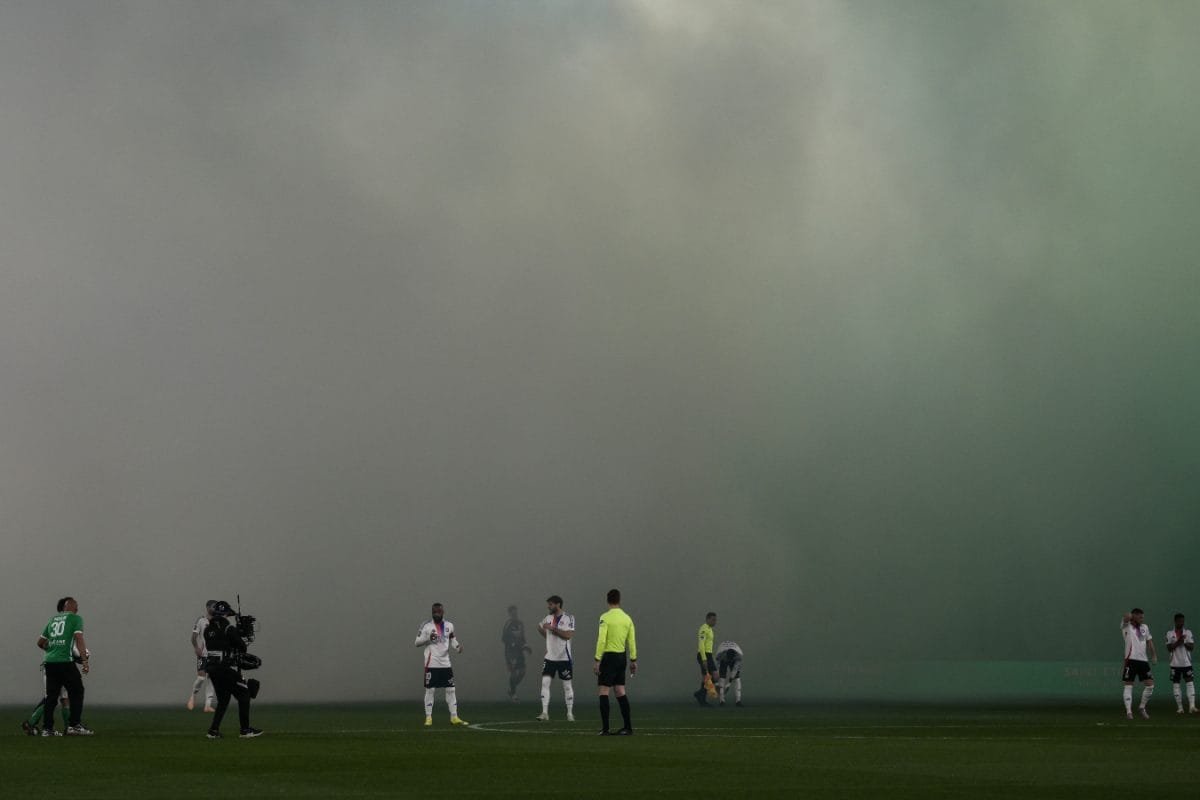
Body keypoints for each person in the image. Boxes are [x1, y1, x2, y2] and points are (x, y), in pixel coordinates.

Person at [21, 598, 88, 735]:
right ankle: (73, 726)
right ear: (72, 607)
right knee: (75, 691)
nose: (77, 608)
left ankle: (48, 729)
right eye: (76, 605)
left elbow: (40, 642)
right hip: (64, 662)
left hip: (50, 663)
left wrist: (52, 650)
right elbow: (79, 639)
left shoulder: (53, 620)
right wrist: (84, 660)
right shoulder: (75, 619)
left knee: (53, 696)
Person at [202, 600, 262, 738]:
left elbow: (220, 643)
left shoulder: (207, 630)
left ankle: (213, 731)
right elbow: (242, 646)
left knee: (223, 699)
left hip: (212, 669)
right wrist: (240, 634)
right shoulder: (228, 628)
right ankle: (245, 730)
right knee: (244, 694)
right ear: (226, 614)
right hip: (223, 669)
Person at [415, 603, 469, 727]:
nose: (436, 614)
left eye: (439, 612)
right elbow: (416, 642)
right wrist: (428, 638)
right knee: (430, 690)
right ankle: (428, 718)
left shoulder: (449, 625)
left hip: (446, 664)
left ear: (443, 612)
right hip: (432, 663)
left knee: (451, 689)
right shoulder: (426, 625)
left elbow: (452, 639)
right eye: (434, 612)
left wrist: (457, 647)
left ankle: (454, 717)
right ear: (432, 613)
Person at [594, 588, 637, 735]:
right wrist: (633, 660)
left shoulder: (605, 617)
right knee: (620, 691)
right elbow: (631, 641)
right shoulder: (627, 618)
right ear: (619, 600)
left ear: (607, 600)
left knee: (603, 691)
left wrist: (597, 659)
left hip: (609, 657)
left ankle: (605, 729)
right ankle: (628, 727)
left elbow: (601, 639)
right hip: (621, 657)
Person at [536, 595, 576, 721]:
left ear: (558, 604)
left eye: (551, 604)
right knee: (545, 683)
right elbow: (539, 627)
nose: (548, 606)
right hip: (550, 658)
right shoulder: (548, 618)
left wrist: (553, 629)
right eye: (548, 604)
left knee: (567, 686)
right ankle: (544, 713)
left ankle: (569, 713)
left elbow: (568, 635)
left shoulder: (569, 618)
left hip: (564, 658)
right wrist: (548, 639)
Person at [1122, 607, 1157, 719]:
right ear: (1134, 616)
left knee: (1150, 685)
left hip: (1143, 661)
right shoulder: (1126, 625)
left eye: (1143, 617)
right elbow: (1126, 616)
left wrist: (1154, 655)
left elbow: (1150, 642)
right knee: (1128, 686)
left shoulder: (1144, 627)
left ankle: (1142, 707)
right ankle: (1129, 712)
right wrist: (1132, 616)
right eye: (1140, 617)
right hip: (1130, 660)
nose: (1142, 619)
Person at [187, 600, 217, 712]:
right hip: (203, 654)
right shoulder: (201, 620)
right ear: (208, 607)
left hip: (214, 655)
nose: (215, 609)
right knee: (201, 677)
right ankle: (193, 697)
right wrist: (196, 648)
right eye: (213, 606)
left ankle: (207, 705)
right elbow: (193, 637)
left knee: (212, 678)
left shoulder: (218, 622)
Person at [1165, 612, 1197, 714]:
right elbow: (1169, 648)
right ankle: (1180, 708)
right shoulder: (1169, 633)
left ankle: (1192, 706)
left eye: (1183, 621)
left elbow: (1191, 647)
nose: (1181, 623)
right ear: (1175, 622)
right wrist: (1179, 641)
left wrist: (1184, 642)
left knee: (1190, 683)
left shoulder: (1188, 633)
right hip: (1175, 664)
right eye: (1179, 621)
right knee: (1176, 685)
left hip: (1186, 663)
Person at [501, 605, 532, 702]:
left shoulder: (520, 624)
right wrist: (512, 643)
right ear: (509, 614)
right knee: (514, 673)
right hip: (511, 652)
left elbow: (523, 637)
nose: (515, 614)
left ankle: (511, 689)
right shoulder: (508, 624)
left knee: (522, 672)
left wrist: (526, 646)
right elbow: (503, 638)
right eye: (513, 613)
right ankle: (513, 694)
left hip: (519, 652)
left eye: (516, 612)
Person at [693, 612, 717, 706]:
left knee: (706, 678)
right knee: (715, 676)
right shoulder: (704, 628)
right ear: (707, 619)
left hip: (709, 655)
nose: (715, 622)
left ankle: (701, 696)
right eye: (713, 619)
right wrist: (704, 659)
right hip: (704, 655)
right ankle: (700, 695)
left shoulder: (710, 629)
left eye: (715, 620)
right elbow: (701, 644)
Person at [713, 640, 744, 706]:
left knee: (737, 679)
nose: (729, 661)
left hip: (732, 658)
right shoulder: (720, 654)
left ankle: (738, 700)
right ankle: (722, 700)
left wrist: (729, 683)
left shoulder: (739, 655)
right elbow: (717, 666)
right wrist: (717, 681)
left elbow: (735, 669)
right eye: (728, 659)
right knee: (722, 678)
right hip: (723, 659)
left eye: (730, 660)